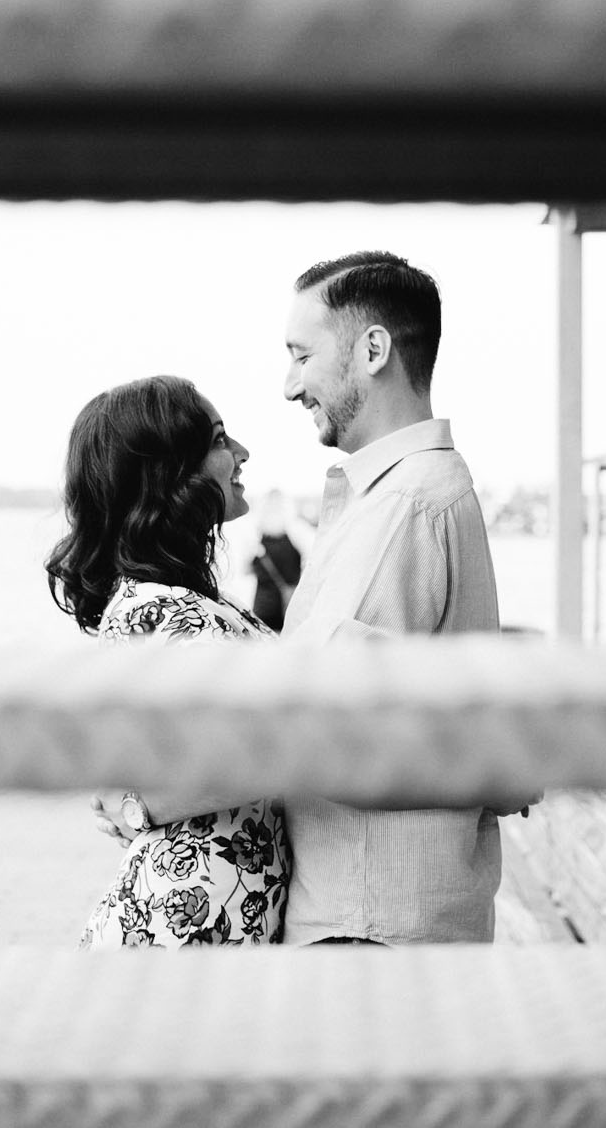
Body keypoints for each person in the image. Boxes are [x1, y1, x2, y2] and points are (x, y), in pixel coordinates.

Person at [278, 251, 519, 945]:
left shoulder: (405, 507)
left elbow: (312, 721)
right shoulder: (409, 496)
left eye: (301, 355)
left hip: (364, 930)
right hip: (390, 923)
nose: (290, 384)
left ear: (373, 348)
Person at [46, 375, 288, 948]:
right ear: (170, 474)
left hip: (200, 929)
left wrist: (132, 802)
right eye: (221, 440)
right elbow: (247, 757)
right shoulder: (157, 611)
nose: (242, 453)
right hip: (175, 939)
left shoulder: (188, 603)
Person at [247, 489, 305, 631]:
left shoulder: (259, 545)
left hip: (263, 609)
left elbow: (247, 570)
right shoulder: (294, 540)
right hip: (288, 609)